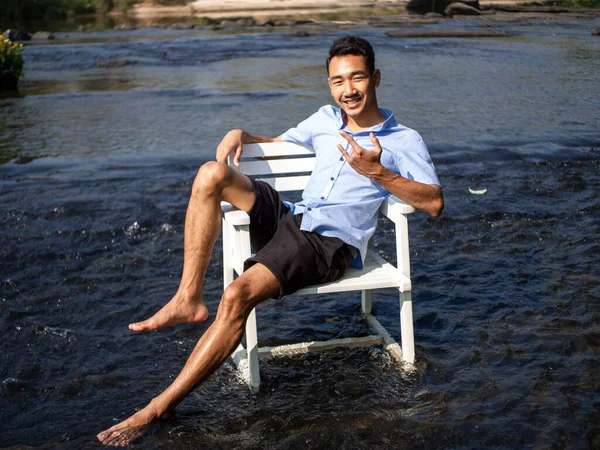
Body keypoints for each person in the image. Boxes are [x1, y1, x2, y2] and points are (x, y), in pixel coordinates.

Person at [97, 35, 443, 446]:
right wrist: (240, 132)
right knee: (211, 173)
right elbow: (277, 144)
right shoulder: (323, 120)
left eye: (357, 78)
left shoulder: (404, 140)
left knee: (236, 295)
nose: (348, 90)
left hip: (328, 243)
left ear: (376, 78)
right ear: (329, 84)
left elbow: (434, 203)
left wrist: (381, 174)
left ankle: (161, 405)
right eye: (338, 81)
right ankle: (188, 297)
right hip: (294, 218)